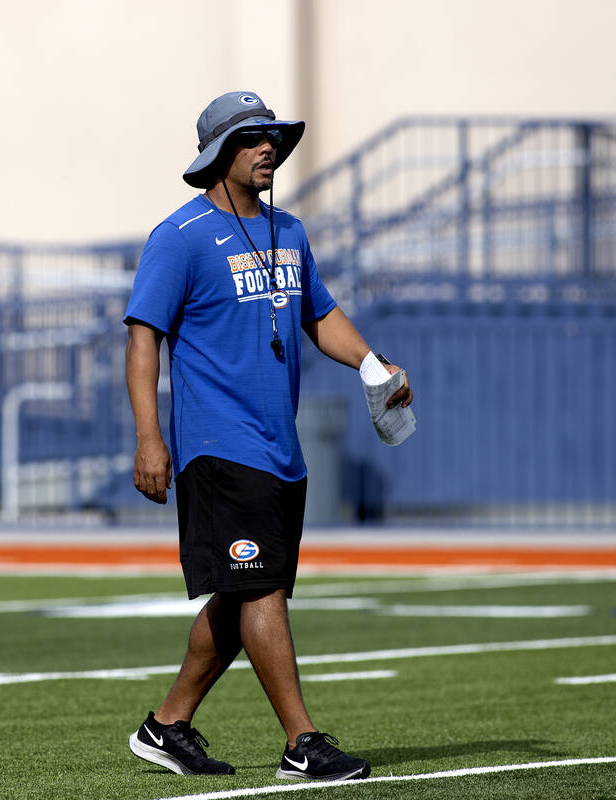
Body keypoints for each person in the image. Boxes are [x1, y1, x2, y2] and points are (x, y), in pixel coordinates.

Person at [122, 91, 413, 782]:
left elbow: (322, 314)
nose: (269, 149)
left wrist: (375, 367)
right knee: (261, 592)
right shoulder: (179, 237)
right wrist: (148, 437)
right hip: (218, 448)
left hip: (280, 449)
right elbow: (143, 341)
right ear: (219, 152)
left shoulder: (292, 232)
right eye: (253, 139)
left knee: (245, 590)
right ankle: (301, 743)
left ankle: (166, 726)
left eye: (273, 138)